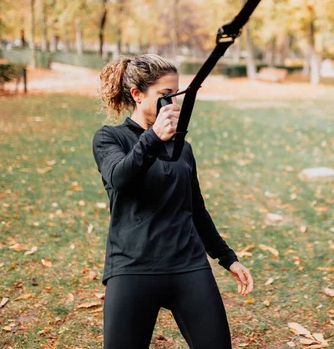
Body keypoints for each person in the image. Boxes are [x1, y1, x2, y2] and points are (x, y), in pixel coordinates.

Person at [92, 54, 253, 349]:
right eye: (165, 96)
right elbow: (121, 178)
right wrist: (153, 137)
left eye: (175, 96)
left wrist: (228, 258)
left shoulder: (183, 148)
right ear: (137, 95)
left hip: (188, 265)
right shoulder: (109, 139)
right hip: (132, 267)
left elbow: (196, 209)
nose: (173, 105)